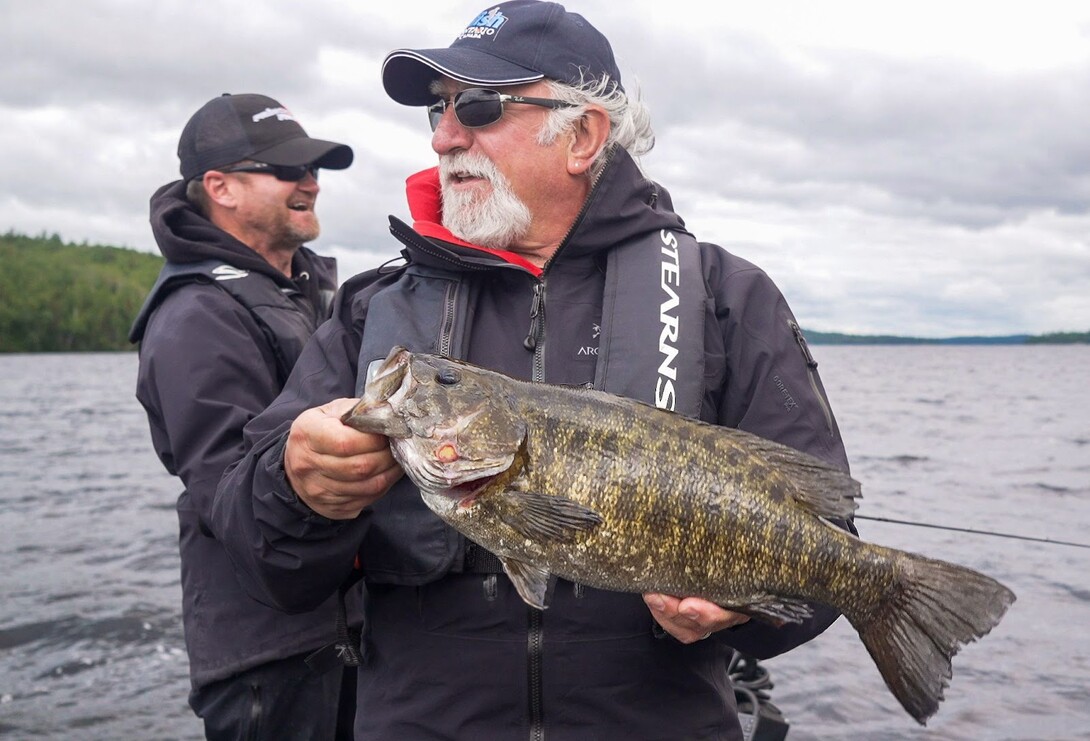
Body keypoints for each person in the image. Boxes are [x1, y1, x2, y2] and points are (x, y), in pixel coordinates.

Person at [212, 3, 855, 739]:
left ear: (582, 135)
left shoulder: (726, 297)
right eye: (437, 110)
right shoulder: (371, 313)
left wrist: (742, 605)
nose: (446, 136)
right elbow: (255, 551)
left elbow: (825, 545)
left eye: (478, 107)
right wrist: (294, 484)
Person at [129, 93, 359, 740]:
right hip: (274, 666)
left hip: (349, 642)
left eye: (314, 168)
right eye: (286, 168)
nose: (310, 181)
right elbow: (239, 505)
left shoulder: (311, 292)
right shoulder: (194, 316)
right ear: (220, 187)